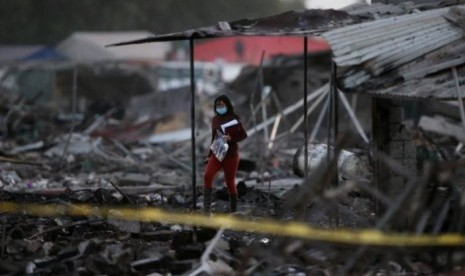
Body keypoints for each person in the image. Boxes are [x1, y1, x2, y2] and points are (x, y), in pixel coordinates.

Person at [204, 94, 247, 213]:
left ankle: (233, 210)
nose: (220, 107)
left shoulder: (234, 118)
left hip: (231, 155)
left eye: (222, 105)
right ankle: (206, 210)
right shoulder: (215, 119)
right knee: (207, 176)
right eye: (218, 105)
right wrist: (209, 156)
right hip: (218, 151)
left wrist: (231, 137)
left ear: (227, 105)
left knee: (230, 183)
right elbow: (214, 137)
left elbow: (243, 135)